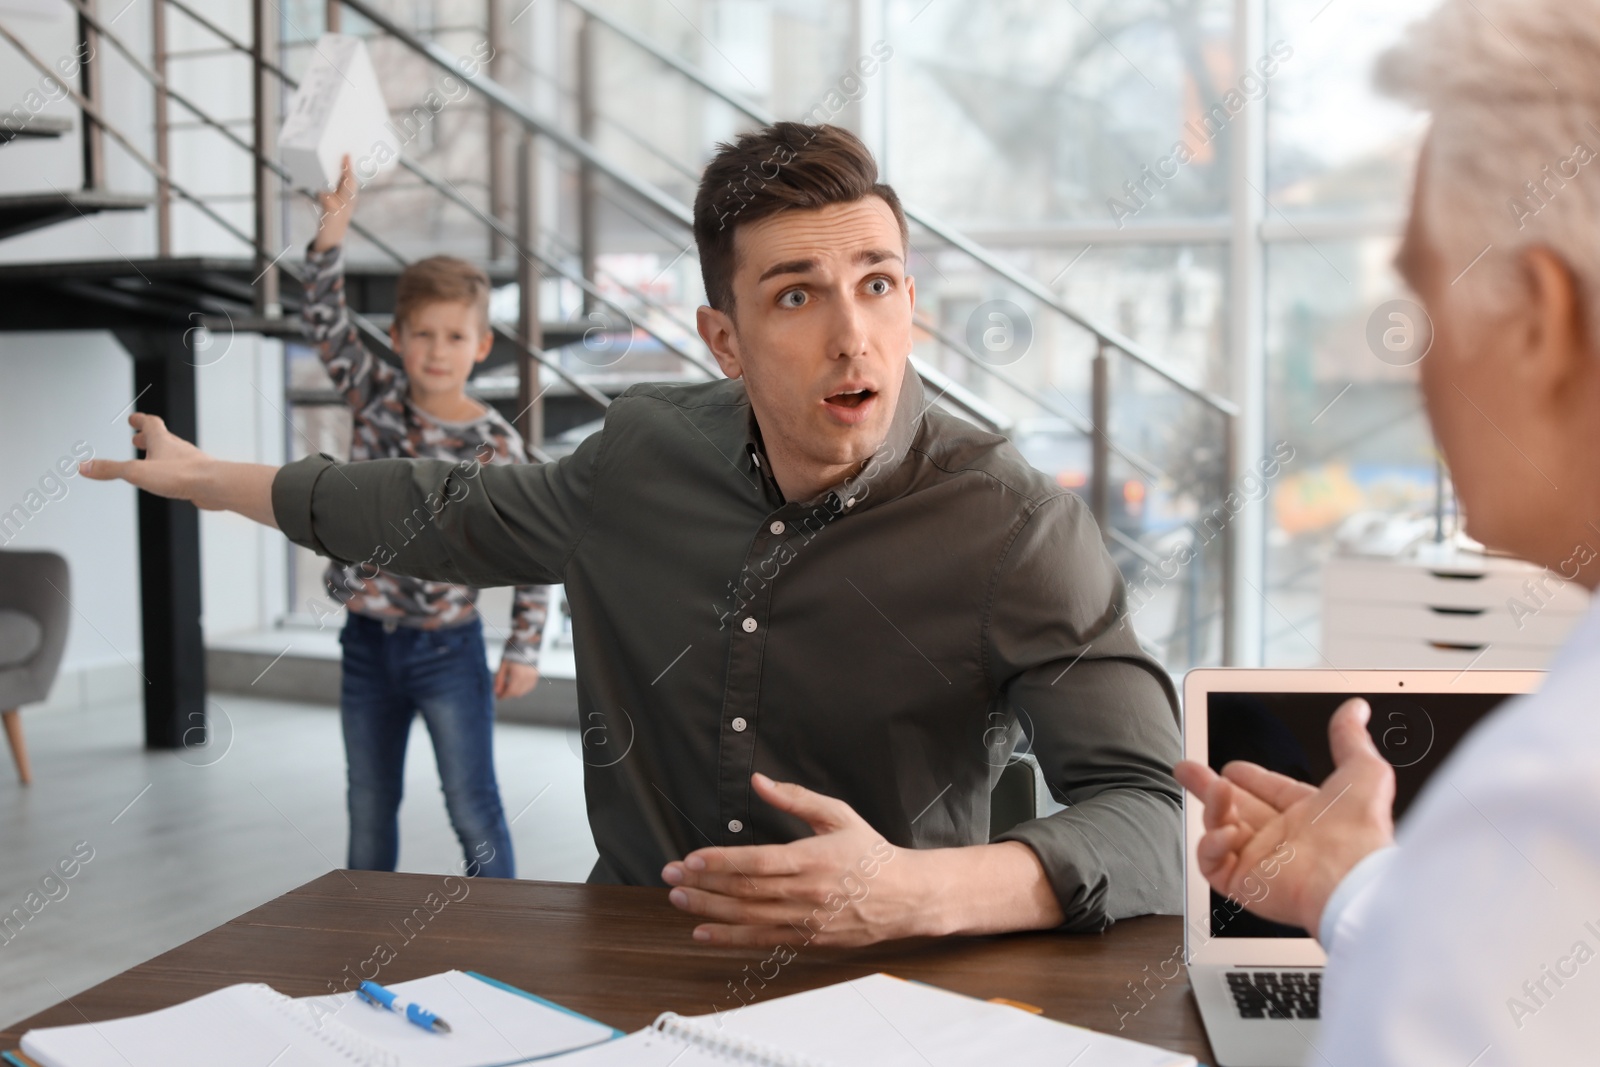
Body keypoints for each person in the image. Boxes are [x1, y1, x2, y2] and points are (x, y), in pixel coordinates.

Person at [83, 123, 1183, 946]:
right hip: (631, 959)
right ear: (725, 337)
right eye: (797, 297)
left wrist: (914, 891)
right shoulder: (642, 452)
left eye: (877, 284)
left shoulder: (1015, 523)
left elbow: (1152, 812)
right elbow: (452, 512)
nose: (856, 336)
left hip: (896, 974)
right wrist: (222, 479)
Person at [1173, 0, 1600, 1061]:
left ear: (1540, 319)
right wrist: (1365, 888)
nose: (1419, 370)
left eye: (1425, 300)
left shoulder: (1550, 809)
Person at [300, 156, 544, 880]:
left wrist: (525, 647)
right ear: (399, 337)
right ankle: (358, 944)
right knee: (368, 800)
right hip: (366, 643)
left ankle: (501, 941)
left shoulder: (496, 442)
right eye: (423, 335)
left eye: (454, 336)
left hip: (449, 650)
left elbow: (540, 545)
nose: (438, 352)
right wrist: (332, 226)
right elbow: (322, 317)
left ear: (481, 345)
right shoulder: (373, 395)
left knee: (472, 803)